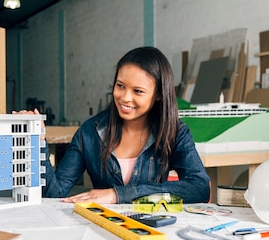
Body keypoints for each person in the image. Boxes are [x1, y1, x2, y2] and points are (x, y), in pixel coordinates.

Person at [17, 46, 210, 204]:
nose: (125, 97)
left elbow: (199, 188)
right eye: (120, 86)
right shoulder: (89, 133)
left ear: (159, 94)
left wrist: (118, 194)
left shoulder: (174, 132)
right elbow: (54, 193)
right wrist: (37, 142)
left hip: (153, 228)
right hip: (103, 228)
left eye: (138, 91)